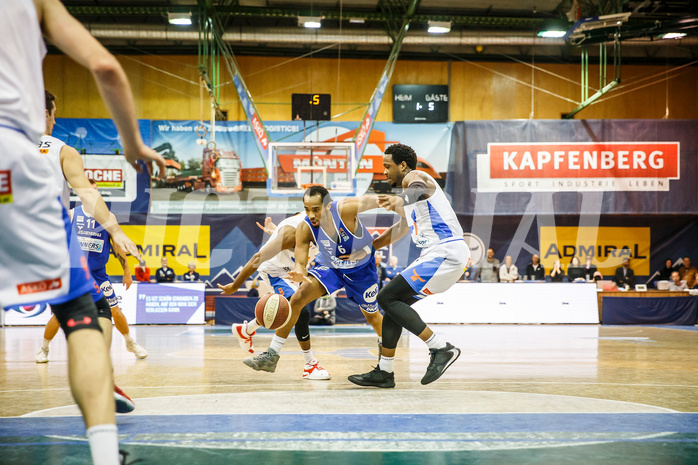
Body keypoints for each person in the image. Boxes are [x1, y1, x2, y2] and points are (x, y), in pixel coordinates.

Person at [0, 2, 165, 463]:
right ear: (48, 113)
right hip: (16, 166)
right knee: (83, 316)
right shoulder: (54, 145)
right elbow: (105, 65)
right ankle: (106, 451)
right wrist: (132, 147)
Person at [349, 143, 470, 388]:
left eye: (387, 166)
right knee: (395, 305)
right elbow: (401, 229)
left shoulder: (415, 177)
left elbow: (417, 188)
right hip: (439, 254)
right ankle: (385, 372)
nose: (384, 172)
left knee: (386, 297)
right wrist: (369, 248)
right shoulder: (411, 202)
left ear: (403, 165)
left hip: (445, 251)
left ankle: (440, 347)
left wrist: (398, 199)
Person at [241, 186, 386, 376]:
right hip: (331, 267)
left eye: (315, 209)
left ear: (327, 206)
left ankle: (386, 359)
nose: (310, 214)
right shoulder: (306, 226)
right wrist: (299, 271)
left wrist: (408, 201)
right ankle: (272, 354)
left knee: (372, 316)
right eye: (306, 209)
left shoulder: (345, 210)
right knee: (298, 299)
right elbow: (300, 257)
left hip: (361, 270)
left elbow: (385, 202)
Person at [36, 178, 148, 362]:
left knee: (115, 311)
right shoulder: (72, 214)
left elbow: (118, 246)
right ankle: (44, 348)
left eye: (95, 190)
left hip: (98, 274)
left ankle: (130, 343)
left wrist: (126, 271)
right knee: (59, 315)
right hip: (76, 275)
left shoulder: (108, 217)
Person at [218, 212, 333, 380]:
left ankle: (245, 330)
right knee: (301, 312)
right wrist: (235, 286)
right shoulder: (291, 232)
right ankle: (310, 365)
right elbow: (257, 258)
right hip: (275, 272)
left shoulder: (322, 223)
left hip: (293, 275)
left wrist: (275, 230)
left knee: (286, 313)